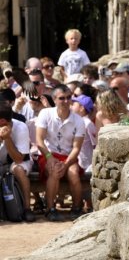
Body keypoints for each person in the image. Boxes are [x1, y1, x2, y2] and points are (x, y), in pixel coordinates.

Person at [35, 84, 86, 221]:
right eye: (62, 98)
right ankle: (50, 209)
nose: (66, 101)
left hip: (69, 156)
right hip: (48, 154)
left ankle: (76, 207)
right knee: (54, 171)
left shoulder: (78, 120)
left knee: (73, 174)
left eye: (69, 97)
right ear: (54, 99)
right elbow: (39, 140)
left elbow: (76, 148)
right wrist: (49, 157)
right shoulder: (45, 114)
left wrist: (66, 163)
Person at [0, 103, 36, 222]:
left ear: (2, 121)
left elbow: (19, 159)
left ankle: (27, 208)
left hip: (18, 162)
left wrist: (7, 138)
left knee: (19, 169)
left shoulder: (20, 127)